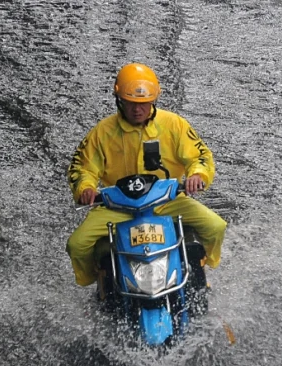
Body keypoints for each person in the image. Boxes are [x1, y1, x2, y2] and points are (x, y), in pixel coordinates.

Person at [66, 62, 227, 290]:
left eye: (143, 103)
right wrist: (85, 188)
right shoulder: (102, 132)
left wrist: (197, 175)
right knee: (77, 244)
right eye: (131, 103)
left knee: (216, 226)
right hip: (117, 206)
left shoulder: (174, 125)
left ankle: (203, 267)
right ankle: (98, 279)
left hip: (167, 201)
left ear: (153, 101)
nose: (137, 109)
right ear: (119, 99)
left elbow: (200, 156)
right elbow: (82, 168)